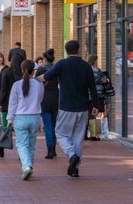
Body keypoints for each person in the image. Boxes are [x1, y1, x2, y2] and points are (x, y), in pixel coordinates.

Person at [37, 40, 98, 178]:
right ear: (79, 50)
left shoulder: (62, 64)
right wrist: (96, 105)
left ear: (66, 51)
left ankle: (71, 155)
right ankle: (75, 168)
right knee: (78, 138)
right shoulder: (86, 66)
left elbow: (46, 77)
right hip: (83, 107)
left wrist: (31, 79)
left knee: (60, 133)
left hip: (66, 106)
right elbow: (92, 87)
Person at [7, 59, 44, 180]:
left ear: (22, 69)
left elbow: (12, 104)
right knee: (31, 145)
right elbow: (40, 99)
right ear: (34, 70)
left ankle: (27, 166)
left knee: (22, 144)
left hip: (21, 117)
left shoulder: (16, 85)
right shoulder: (39, 84)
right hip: (35, 117)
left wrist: (9, 119)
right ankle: (29, 167)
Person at [0, 52, 24, 157]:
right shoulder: (23, 74)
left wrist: (0, 104)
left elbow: (3, 90)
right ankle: (21, 153)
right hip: (21, 105)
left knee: (5, 126)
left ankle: (1, 149)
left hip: (7, 104)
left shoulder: (6, 72)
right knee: (20, 130)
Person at [34, 48, 58, 159]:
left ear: (44, 59)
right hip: (57, 98)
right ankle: (54, 148)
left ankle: (50, 149)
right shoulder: (58, 69)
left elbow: (35, 84)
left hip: (44, 99)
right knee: (54, 125)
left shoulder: (40, 70)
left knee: (47, 125)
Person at [87, 54, 109, 141]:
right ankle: (94, 135)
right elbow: (104, 80)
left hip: (87, 95)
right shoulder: (97, 70)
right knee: (95, 114)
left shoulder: (85, 69)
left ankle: (85, 134)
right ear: (95, 61)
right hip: (97, 94)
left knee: (89, 114)